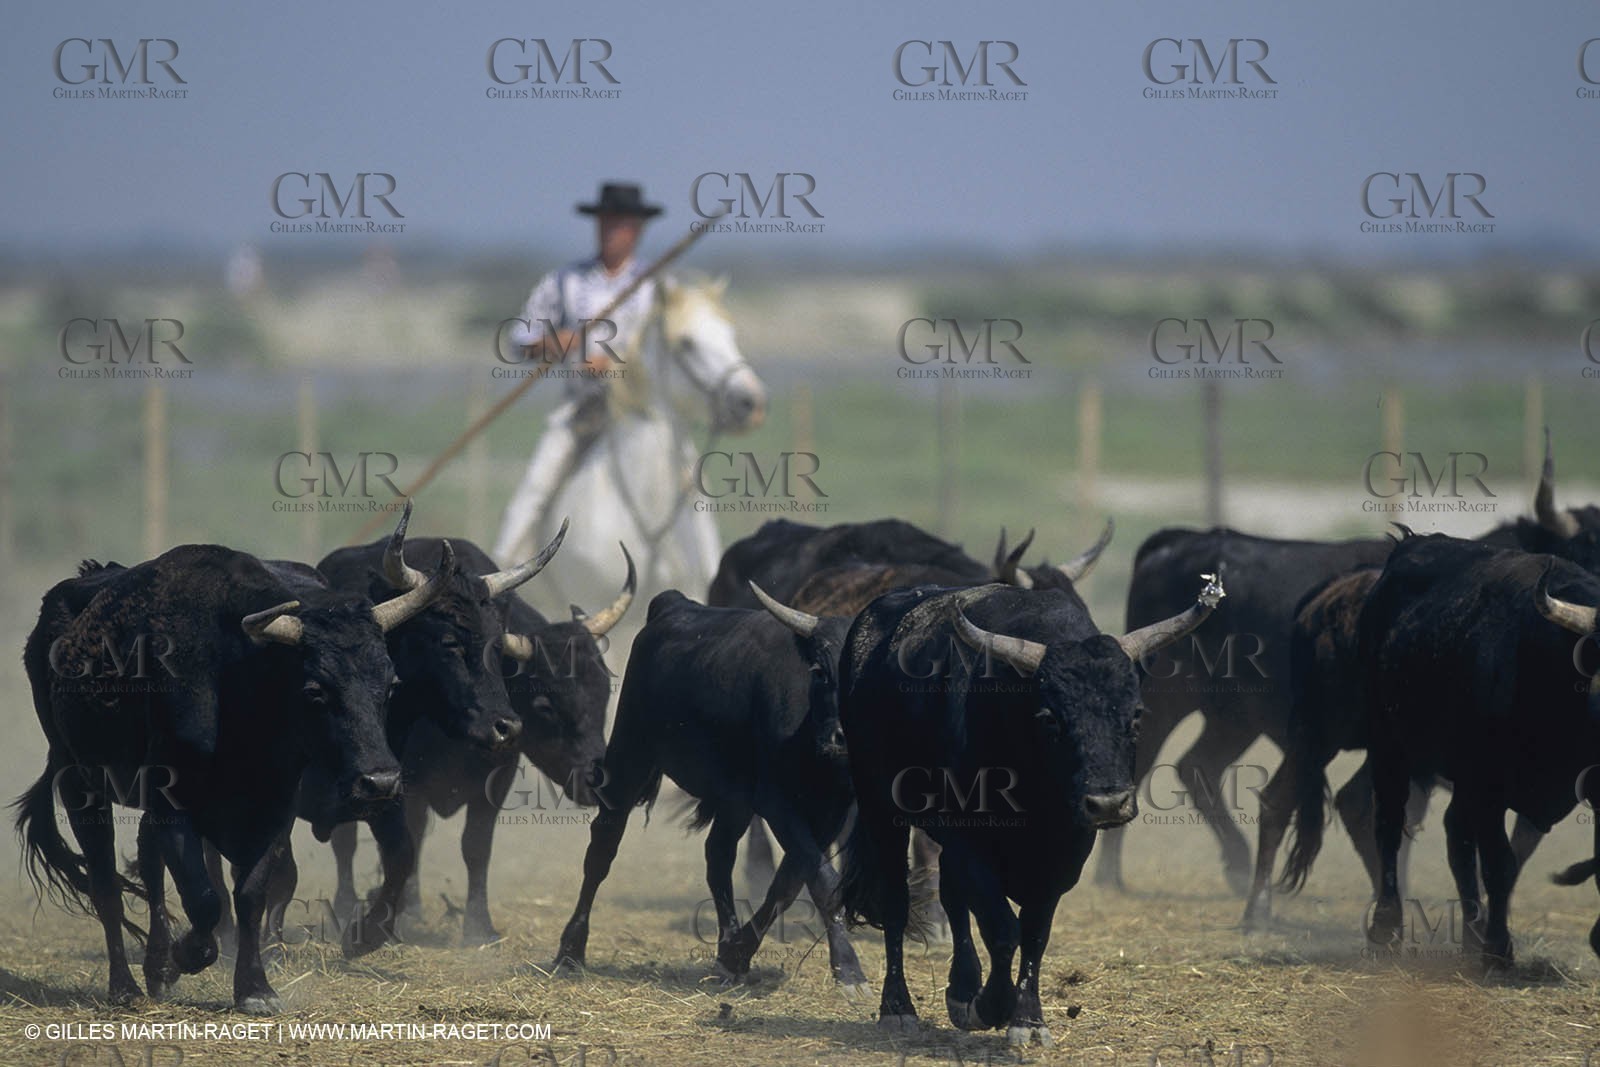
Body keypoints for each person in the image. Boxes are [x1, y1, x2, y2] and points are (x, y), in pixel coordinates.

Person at [494, 182, 665, 563]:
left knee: (687, 489)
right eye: (605, 222)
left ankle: (702, 574)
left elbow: (666, 355)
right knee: (534, 489)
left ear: (637, 229)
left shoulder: (655, 287)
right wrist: (553, 342)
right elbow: (519, 339)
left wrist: (618, 364)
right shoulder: (565, 281)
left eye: (620, 222)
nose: (610, 230)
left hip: (641, 415)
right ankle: (503, 568)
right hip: (580, 412)